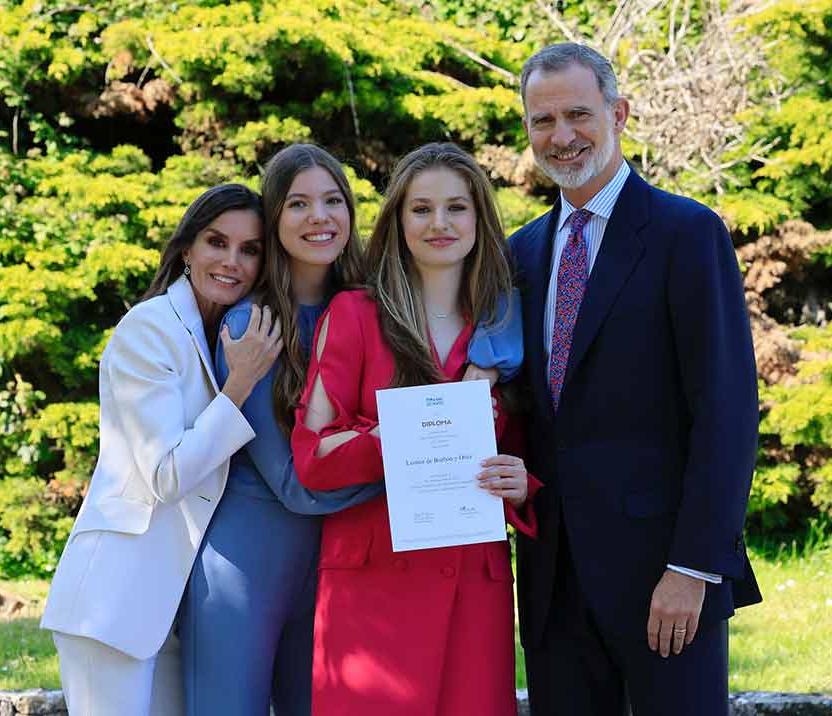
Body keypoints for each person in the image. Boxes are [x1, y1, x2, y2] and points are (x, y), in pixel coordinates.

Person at [177, 143, 524, 715]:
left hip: (413, 564)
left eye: (333, 200)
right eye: (298, 203)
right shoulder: (271, 322)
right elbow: (299, 477)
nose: (319, 216)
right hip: (268, 555)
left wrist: (507, 477)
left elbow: (516, 448)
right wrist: (420, 448)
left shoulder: (489, 324)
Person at [509, 43, 762, 716]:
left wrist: (694, 567)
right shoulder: (521, 254)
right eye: (542, 121)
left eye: (578, 115)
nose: (561, 137)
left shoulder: (687, 234)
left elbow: (727, 413)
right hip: (553, 588)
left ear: (618, 113)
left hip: (665, 581)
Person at [291, 142, 539, 716]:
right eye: (421, 209)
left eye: (456, 208)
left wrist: (522, 483)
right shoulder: (353, 314)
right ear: (397, 221)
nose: (439, 224)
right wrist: (413, 430)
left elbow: (529, 460)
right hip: (372, 586)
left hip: (472, 587)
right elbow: (313, 455)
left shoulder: (507, 327)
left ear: (480, 218)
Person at [40, 184, 283, 716]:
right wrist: (238, 387)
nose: (231, 261)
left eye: (250, 250)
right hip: (114, 605)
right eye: (217, 242)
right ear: (187, 249)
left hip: (173, 612)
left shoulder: (224, 331)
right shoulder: (148, 329)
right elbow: (165, 474)